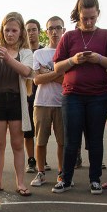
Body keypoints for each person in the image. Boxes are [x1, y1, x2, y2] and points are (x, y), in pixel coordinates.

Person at [52, 0, 107, 195]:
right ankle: (66, 178)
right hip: (72, 95)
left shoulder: (106, 35)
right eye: (84, 18)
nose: (89, 22)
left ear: (98, 14)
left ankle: (95, 179)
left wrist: (98, 58)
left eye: (92, 18)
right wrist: (74, 60)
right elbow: (57, 67)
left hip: (98, 95)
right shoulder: (69, 36)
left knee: (96, 139)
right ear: (78, 15)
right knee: (71, 140)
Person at [0, 11, 35, 196]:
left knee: (18, 144)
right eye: (7, 30)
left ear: (21, 32)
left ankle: (20, 183)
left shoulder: (25, 52)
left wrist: (9, 58)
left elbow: (27, 72)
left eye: (14, 30)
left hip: (16, 101)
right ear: (2, 30)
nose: (10, 34)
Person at [30, 16, 65, 187]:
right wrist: (57, 73)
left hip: (62, 103)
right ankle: (41, 172)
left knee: (62, 142)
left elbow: (66, 80)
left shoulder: (68, 53)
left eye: (58, 28)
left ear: (63, 30)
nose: (55, 31)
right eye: (51, 28)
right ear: (46, 31)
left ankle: (62, 173)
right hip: (42, 103)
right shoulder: (39, 53)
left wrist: (47, 72)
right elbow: (37, 80)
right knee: (40, 140)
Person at [24, 19, 43, 173]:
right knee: (28, 131)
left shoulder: (44, 51)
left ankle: (42, 160)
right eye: (28, 30)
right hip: (26, 98)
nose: (31, 33)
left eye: (33, 29)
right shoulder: (22, 53)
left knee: (41, 131)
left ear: (39, 31)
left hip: (43, 97)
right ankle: (31, 160)